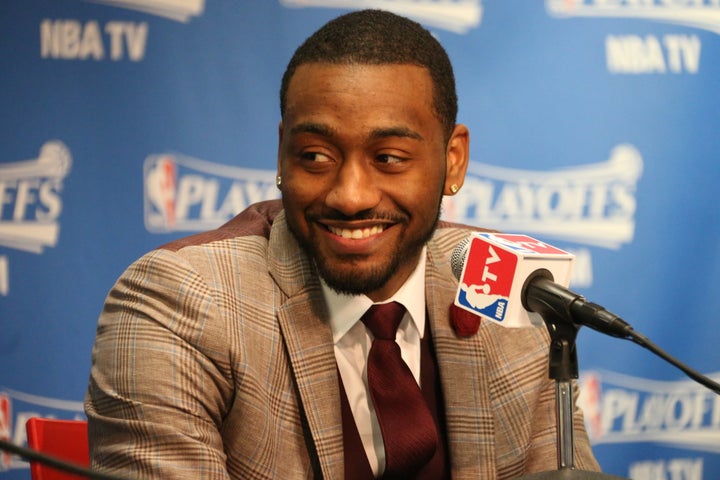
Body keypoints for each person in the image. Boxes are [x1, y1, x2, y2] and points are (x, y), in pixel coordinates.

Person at [85, 9, 600, 480]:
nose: (350, 196)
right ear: (282, 154)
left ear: (453, 161)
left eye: (390, 157)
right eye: (314, 156)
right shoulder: (181, 302)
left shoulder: (511, 292)